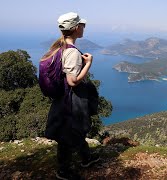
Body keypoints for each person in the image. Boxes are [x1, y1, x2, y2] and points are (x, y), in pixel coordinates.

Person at [43, 12, 100, 179]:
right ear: (76, 28)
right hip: (71, 99)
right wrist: (88, 64)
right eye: (82, 25)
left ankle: (86, 158)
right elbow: (72, 81)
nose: (84, 27)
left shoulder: (59, 47)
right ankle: (63, 170)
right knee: (70, 132)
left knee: (74, 131)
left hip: (62, 98)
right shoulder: (72, 52)